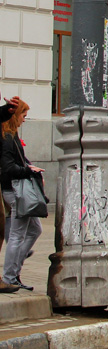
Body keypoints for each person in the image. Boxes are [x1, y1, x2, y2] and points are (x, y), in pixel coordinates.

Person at [1, 97, 42, 293]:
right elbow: (8, 168)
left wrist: (28, 166)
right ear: (16, 116)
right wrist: (29, 170)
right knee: (16, 235)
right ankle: (10, 276)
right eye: (23, 116)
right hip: (14, 191)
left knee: (34, 230)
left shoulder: (12, 136)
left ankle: (14, 270)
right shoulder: (7, 139)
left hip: (15, 190)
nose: (25, 119)